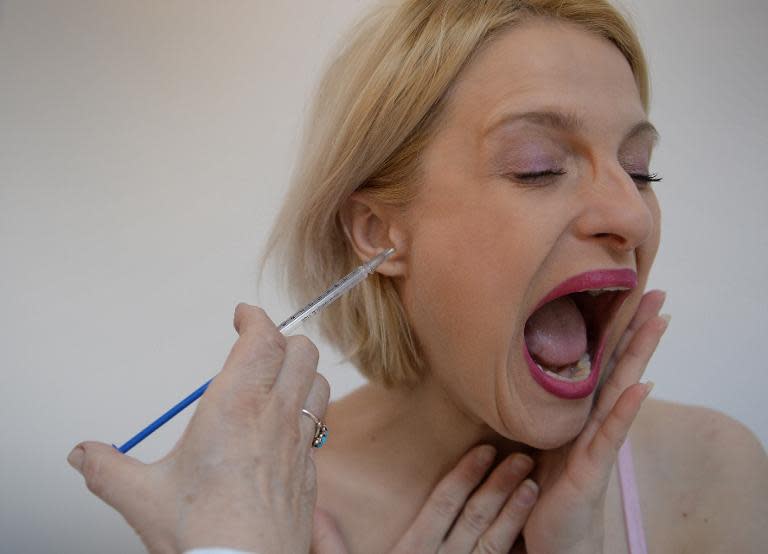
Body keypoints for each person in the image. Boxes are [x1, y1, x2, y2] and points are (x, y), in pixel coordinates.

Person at [69, 1, 767, 553]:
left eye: (640, 170)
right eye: (537, 166)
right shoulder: (267, 517)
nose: (632, 214)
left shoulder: (715, 470)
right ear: (379, 233)